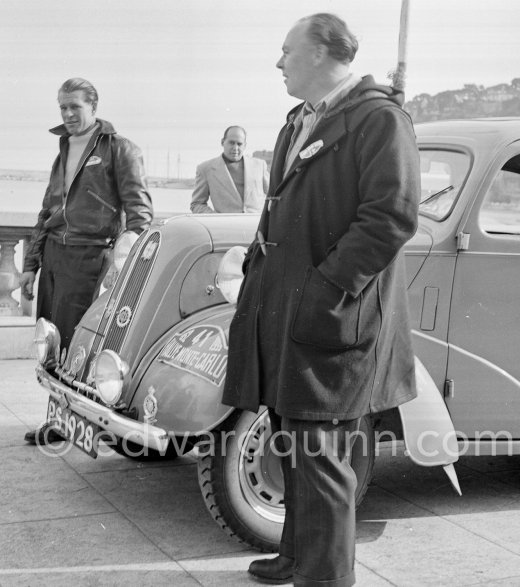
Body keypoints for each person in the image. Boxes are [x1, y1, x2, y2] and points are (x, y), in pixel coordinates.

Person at [222, 13, 420, 587]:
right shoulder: (300, 120)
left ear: (321, 54)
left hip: (334, 315)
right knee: (291, 441)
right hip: (288, 311)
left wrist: (324, 289)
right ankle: (295, 556)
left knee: (323, 456)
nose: (278, 62)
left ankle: (326, 578)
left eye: (287, 51)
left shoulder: (379, 119)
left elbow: (390, 218)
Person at [21, 77, 153, 445]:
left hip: (90, 258)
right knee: (52, 343)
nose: (67, 114)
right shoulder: (62, 151)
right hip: (54, 258)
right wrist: (31, 265)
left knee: (80, 347)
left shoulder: (119, 149)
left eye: (74, 107)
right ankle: (61, 422)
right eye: (62, 107)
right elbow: (46, 211)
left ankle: (77, 422)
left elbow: (140, 214)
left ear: (93, 107)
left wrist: (124, 262)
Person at [190, 126, 269, 213]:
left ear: (245, 145)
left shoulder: (259, 166)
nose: (235, 148)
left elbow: (273, 196)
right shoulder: (205, 169)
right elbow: (197, 204)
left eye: (239, 144)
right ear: (222, 142)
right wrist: (216, 219)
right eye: (231, 143)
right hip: (225, 225)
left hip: (256, 224)